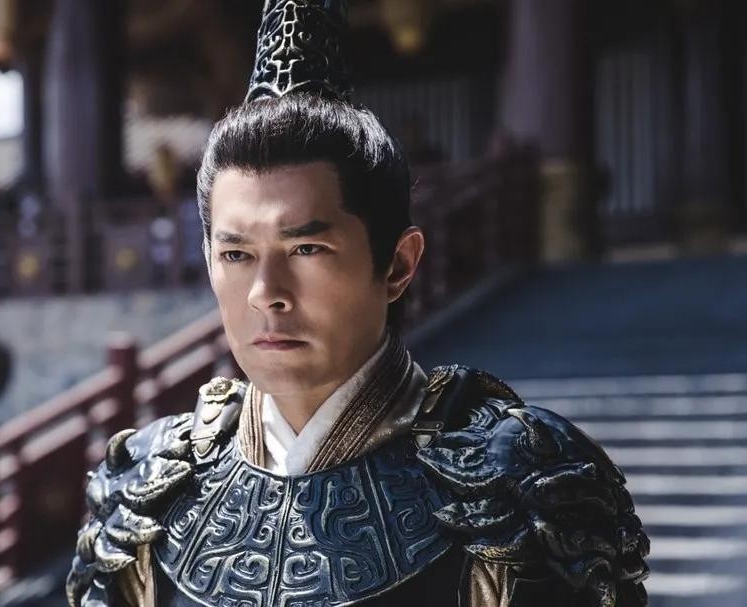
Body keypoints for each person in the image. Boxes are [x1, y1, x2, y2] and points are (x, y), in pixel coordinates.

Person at [67, 1, 649, 605]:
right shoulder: (147, 494)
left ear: (397, 264)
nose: (266, 292)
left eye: (307, 248)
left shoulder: (517, 490)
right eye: (236, 254)